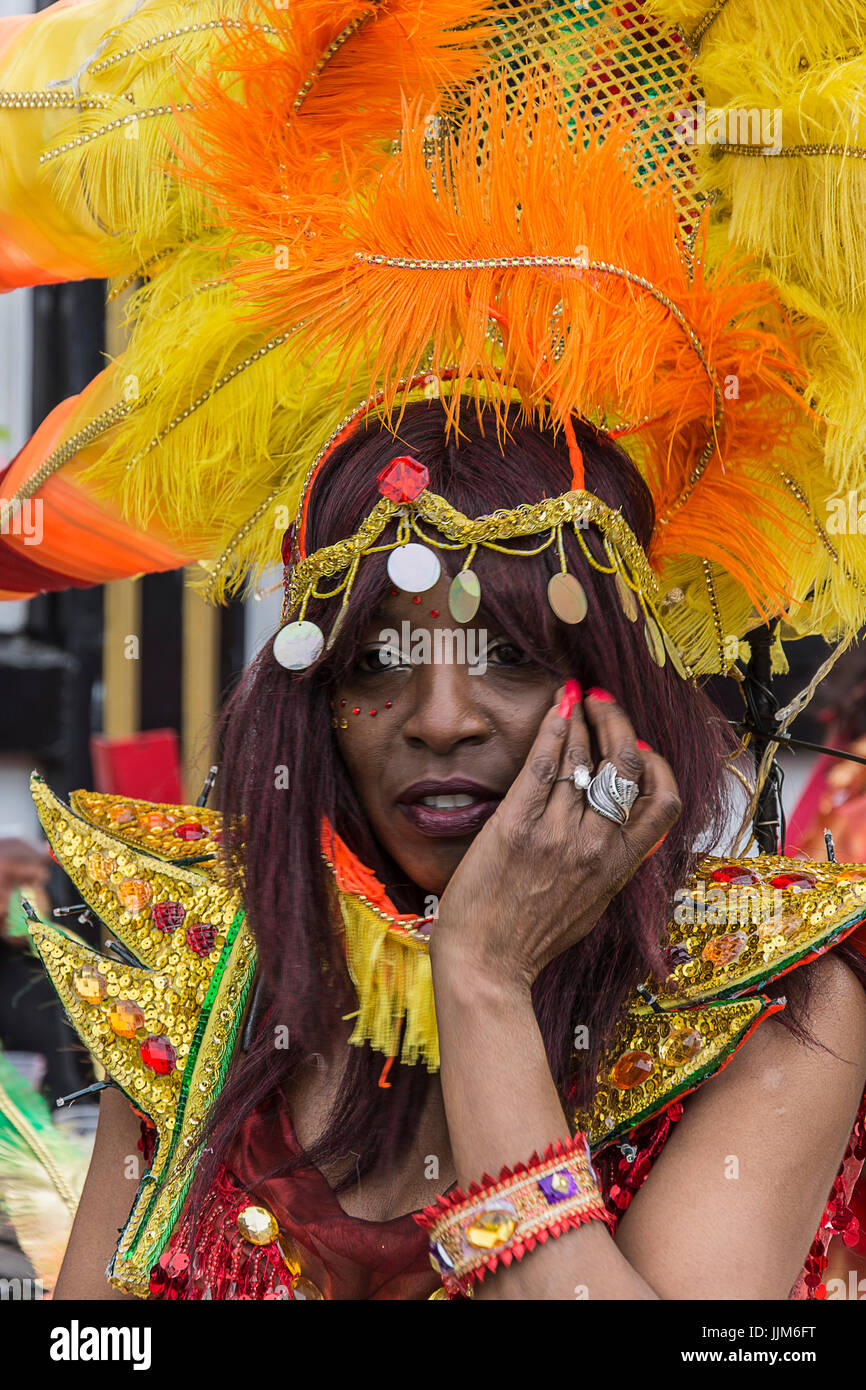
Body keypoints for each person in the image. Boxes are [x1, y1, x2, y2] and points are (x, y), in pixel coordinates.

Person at [2, 2, 866, 1302]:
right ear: (310, 700)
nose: (443, 716)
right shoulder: (208, 972)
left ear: (615, 691)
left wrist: (479, 987)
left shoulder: (759, 1009)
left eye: (512, 657)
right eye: (378, 661)